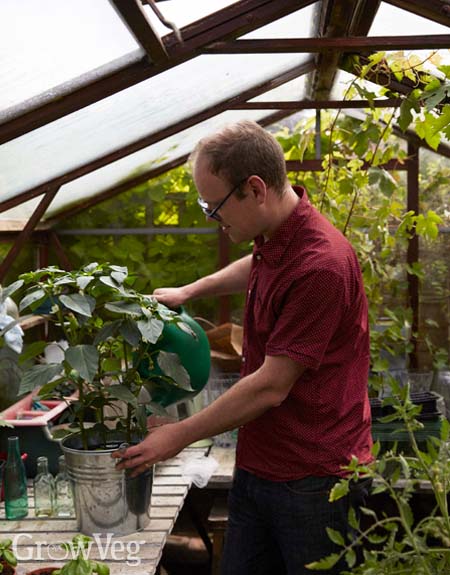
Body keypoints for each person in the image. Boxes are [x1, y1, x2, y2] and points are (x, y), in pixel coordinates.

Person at [114, 120, 373, 574]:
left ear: (255, 189)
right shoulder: (277, 236)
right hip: (261, 463)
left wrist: (177, 434)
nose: (211, 218)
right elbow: (258, 265)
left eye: (214, 206)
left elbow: (270, 387)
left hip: (315, 479)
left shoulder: (321, 268)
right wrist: (190, 291)